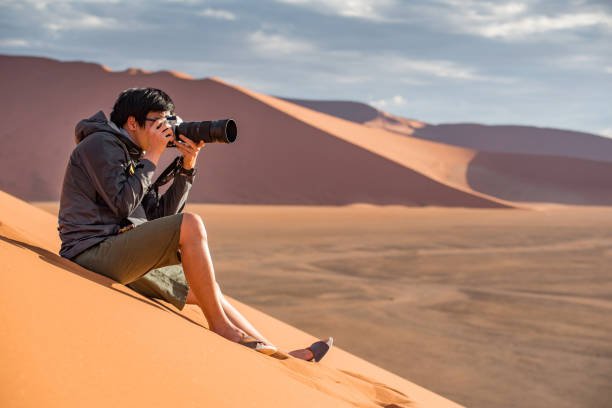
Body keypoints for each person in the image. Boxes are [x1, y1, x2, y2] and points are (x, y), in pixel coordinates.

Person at [57, 87, 331, 362]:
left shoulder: (133, 154)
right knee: (192, 224)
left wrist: (187, 166)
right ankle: (221, 328)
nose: (166, 129)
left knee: (206, 288)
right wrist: (152, 156)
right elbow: (123, 205)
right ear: (132, 122)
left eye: (169, 121)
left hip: (119, 251)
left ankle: (277, 353)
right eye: (159, 122)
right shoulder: (100, 145)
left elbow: (158, 219)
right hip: (90, 252)